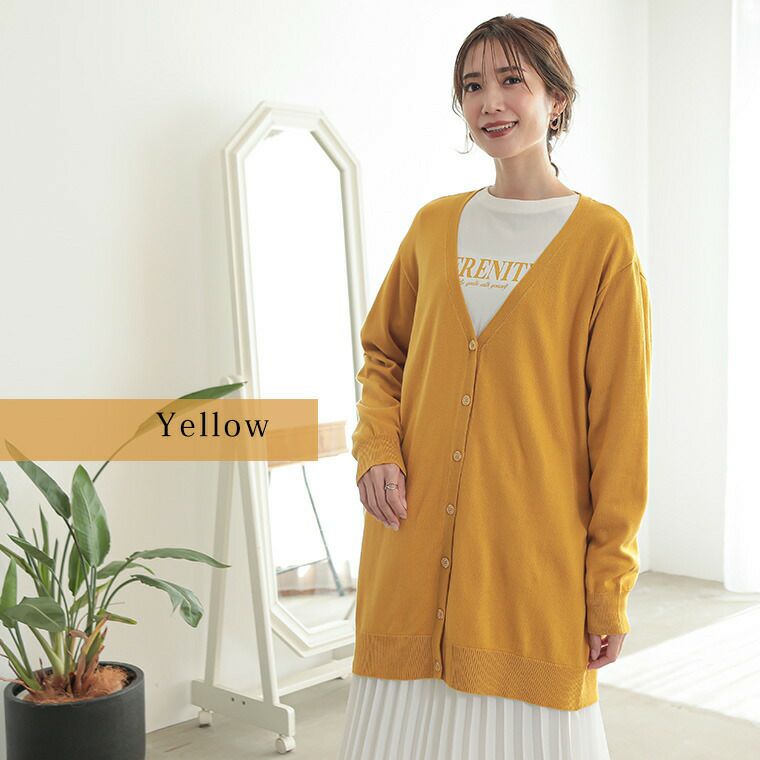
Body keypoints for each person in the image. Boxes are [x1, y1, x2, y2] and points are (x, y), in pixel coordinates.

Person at [339, 13, 651, 760]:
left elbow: (621, 428)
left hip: (527, 562)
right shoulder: (433, 226)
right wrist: (376, 448)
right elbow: (382, 354)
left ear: (557, 98)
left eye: (513, 80)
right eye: (473, 86)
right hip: (410, 546)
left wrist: (608, 585)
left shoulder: (602, 241)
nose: (491, 103)